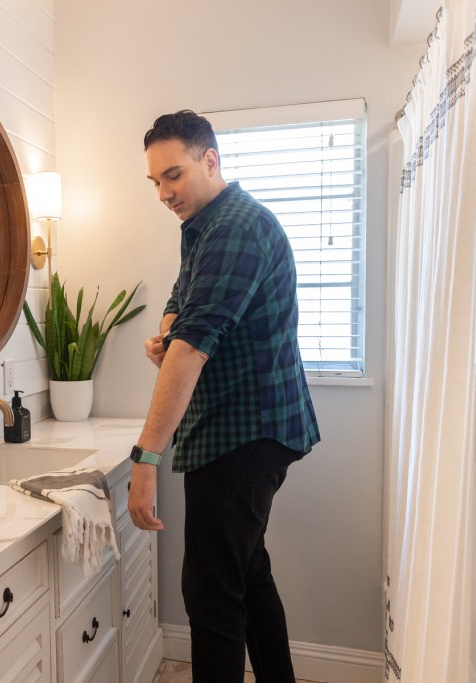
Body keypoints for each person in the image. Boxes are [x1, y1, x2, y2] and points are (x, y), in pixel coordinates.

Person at [127, 110, 321, 683]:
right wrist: (170, 330)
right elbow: (180, 301)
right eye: (155, 181)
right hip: (239, 428)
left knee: (211, 596)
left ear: (210, 160)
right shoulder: (205, 225)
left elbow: (191, 350)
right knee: (246, 575)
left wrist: (145, 460)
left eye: (174, 175)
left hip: (244, 432)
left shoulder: (236, 228)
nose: (164, 193)